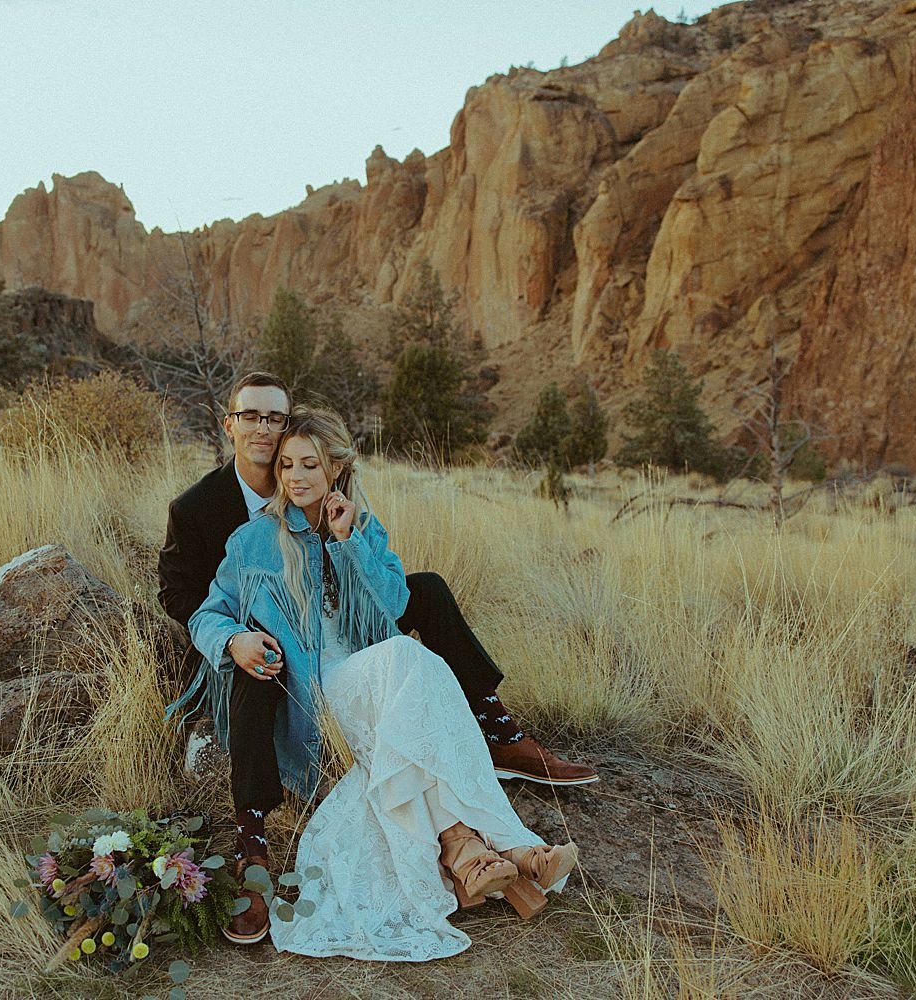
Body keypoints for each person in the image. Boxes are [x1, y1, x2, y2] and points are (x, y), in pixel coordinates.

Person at [158, 372, 596, 945]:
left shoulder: (361, 529)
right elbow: (205, 609)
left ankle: (471, 856)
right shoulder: (251, 541)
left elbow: (392, 606)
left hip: (372, 673)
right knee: (414, 668)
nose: (294, 476)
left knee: (412, 671)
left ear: (335, 468)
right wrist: (233, 639)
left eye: (309, 464)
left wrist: (347, 541)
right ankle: (508, 843)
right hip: (316, 686)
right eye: (287, 465)